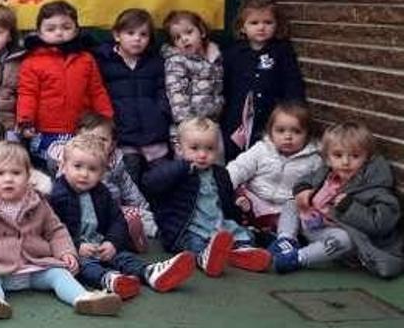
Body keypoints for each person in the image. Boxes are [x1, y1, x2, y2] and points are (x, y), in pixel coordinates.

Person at [0, 142, 121, 318]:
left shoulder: (37, 202)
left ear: (28, 176)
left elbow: (56, 231)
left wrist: (66, 252)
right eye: (0, 173)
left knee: (60, 274)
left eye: (16, 173)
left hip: (36, 265)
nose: (8, 179)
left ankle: (83, 298)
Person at [49, 135, 194, 301]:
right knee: (85, 267)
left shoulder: (102, 192)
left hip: (100, 243)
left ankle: (149, 272)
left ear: (102, 172)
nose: (84, 174)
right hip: (74, 251)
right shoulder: (57, 195)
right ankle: (110, 280)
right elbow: (52, 231)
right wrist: (76, 246)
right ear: (63, 166)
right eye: (78, 166)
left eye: (92, 169)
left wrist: (112, 242)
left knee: (123, 257)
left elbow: (117, 221)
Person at [141, 117, 272, 276]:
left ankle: (240, 253)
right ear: (180, 149)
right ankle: (204, 258)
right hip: (188, 228)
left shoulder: (220, 173)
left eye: (209, 148)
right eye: (194, 148)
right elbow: (150, 183)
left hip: (217, 224)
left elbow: (226, 202)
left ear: (217, 149)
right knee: (194, 243)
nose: (202, 154)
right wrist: (182, 167)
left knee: (243, 235)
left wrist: (237, 204)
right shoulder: (176, 171)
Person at [272, 122, 403, 278]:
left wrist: (350, 208)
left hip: (336, 239)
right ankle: (286, 240)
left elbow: (380, 224)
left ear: (366, 158)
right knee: (291, 203)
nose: (345, 162)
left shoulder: (375, 187)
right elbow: (307, 179)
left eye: (355, 156)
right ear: (327, 158)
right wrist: (303, 190)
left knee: (345, 240)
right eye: (338, 155)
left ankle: (298, 258)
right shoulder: (327, 172)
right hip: (312, 224)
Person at [16, 1, 113, 173]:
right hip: (46, 131)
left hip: (82, 131)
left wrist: (106, 118)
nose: (59, 32)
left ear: (76, 29)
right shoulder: (31, 62)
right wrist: (25, 121)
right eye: (51, 29)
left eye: (66, 27)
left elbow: (97, 91)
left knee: (82, 171)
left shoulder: (86, 59)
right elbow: (27, 94)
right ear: (39, 32)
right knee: (53, 171)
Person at [221, 0, 304, 160]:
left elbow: (292, 82)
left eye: (268, 22)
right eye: (254, 23)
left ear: (276, 25)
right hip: (237, 117)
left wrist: (294, 110)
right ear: (242, 27)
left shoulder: (281, 51)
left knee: (266, 155)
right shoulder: (233, 53)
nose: (261, 27)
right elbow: (225, 85)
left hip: (270, 116)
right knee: (235, 155)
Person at [225, 102, 322, 234]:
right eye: (281, 130)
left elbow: (318, 185)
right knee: (235, 199)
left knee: (291, 219)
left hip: (283, 208)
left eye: (296, 132)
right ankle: (235, 232)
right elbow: (240, 167)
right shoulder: (262, 149)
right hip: (254, 199)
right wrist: (224, 182)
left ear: (307, 135)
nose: (288, 137)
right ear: (271, 132)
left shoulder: (314, 160)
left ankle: (276, 241)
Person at [94, 8, 171, 165]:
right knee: (130, 176)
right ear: (117, 35)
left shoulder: (155, 62)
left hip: (154, 135)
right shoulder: (103, 62)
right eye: (130, 33)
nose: (137, 39)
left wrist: (160, 113)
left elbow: (163, 91)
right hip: (123, 136)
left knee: (161, 177)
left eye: (143, 34)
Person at [75, 113, 158, 252]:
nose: (95, 144)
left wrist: (143, 208)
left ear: (112, 145)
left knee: (140, 216)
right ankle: (129, 239)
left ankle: (158, 232)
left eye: (102, 140)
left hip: (115, 210)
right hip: (86, 213)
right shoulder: (73, 163)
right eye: (88, 139)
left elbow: (129, 189)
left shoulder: (115, 165)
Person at [161, 10, 224, 137]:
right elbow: (176, 95)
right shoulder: (177, 61)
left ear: (202, 32)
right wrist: (187, 125)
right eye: (177, 37)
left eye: (189, 32)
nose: (184, 39)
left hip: (212, 124)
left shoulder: (215, 58)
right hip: (187, 128)